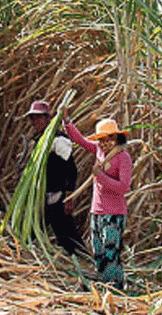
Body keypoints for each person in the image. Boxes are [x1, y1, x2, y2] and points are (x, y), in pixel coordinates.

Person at [63, 112, 133, 289]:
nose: (103, 143)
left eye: (107, 138)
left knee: (111, 253)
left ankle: (115, 288)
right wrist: (67, 122)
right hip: (97, 212)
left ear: (115, 138)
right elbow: (81, 141)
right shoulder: (100, 150)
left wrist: (101, 177)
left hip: (114, 214)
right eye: (100, 139)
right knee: (99, 252)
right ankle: (105, 285)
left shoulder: (123, 157)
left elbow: (124, 187)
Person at [24, 100, 86, 256]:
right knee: (40, 228)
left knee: (65, 233)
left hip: (56, 196)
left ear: (48, 118)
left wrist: (69, 197)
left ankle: (85, 259)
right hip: (43, 195)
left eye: (39, 118)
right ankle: (22, 250)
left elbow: (70, 169)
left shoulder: (59, 140)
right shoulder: (40, 140)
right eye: (33, 118)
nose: (35, 122)